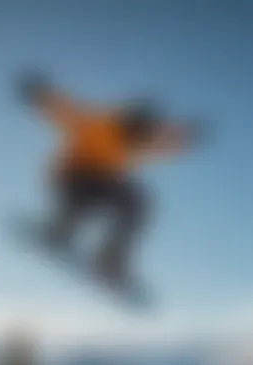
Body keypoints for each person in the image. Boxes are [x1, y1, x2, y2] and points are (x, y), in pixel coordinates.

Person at [17, 71, 204, 286]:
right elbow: (66, 112)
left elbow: (163, 143)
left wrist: (186, 136)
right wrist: (41, 95)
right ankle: (58, 233)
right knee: (81, 197)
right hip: (70, 176)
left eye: (141, 137)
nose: (135, 142)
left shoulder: (137, 143)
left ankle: (110, 261)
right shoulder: (99, 124)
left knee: (137, 203)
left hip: (102, 184)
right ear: (128, 122)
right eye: (135, 133)